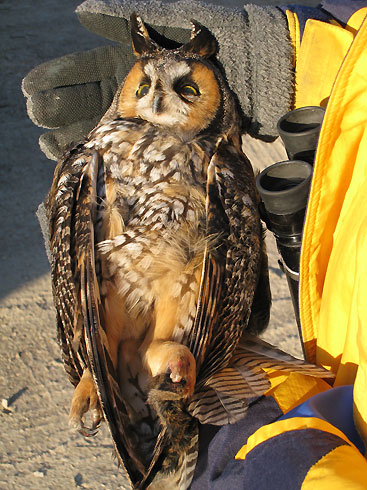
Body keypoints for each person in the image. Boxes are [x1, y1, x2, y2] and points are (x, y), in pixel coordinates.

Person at [22, 0, 367, 487]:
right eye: (143, 88)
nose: (157, 103)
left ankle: (143, 366)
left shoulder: (219, 165)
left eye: (186, 89)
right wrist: (310, 67)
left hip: (204, 353)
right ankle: (110, 370)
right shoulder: (92, 157)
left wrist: (222, 420)